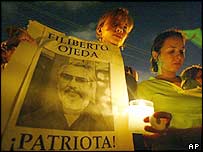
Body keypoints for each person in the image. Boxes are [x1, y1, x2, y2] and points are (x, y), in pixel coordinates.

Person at [136, 29, 202, 150]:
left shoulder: (195, 84)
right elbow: (144, 132)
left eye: (181, 51)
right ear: (156, 55)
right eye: (171, 51)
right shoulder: (145, 88)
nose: (178, 56)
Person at [17, 57, 114, 131]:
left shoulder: (106, 124)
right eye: (66, 77)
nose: (72, 84)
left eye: (81, 80)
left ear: (92, 87)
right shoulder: (30, 120)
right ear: (58, 83)